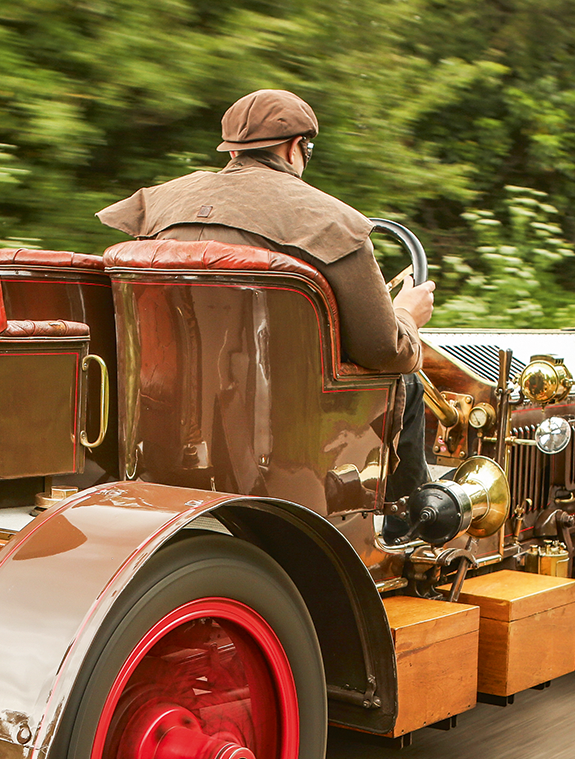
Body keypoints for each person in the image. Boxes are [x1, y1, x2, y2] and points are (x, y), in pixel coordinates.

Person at [97, 88, 437, 501]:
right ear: (297, 147)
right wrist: (407, 316)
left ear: (232, 150)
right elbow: (383, 350)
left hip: (161, 407)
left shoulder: (158, 206)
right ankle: (406, 520)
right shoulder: (331, 221)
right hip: (281, 418)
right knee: (410, 382)